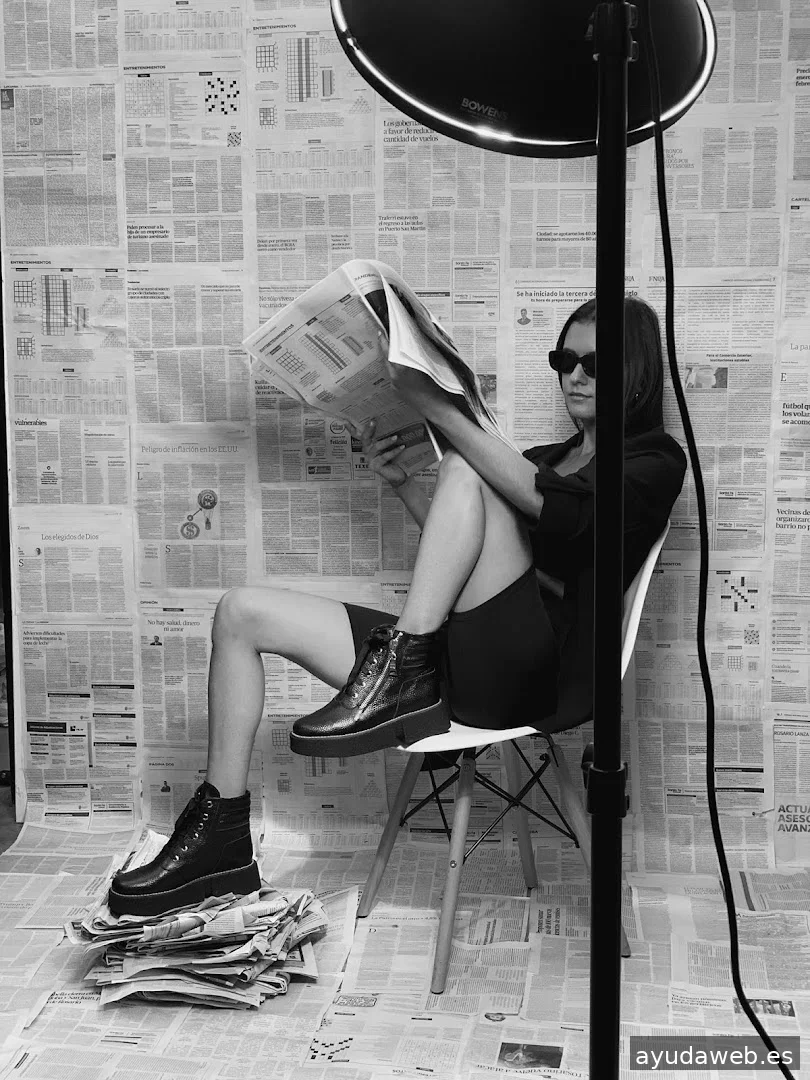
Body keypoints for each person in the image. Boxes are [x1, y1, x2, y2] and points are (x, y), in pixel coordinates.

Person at [108, 296, 686, 917]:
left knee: (466, 463)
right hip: (459, 654)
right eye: (564, 360)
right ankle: (220, 839)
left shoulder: (654, 461)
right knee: (241, 612)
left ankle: (400, 671)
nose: (575, 375)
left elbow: (566, 517)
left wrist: (438, 407)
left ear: (636, 372)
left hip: (534, 678)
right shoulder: (544, 459)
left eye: (595, 363)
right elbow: (472, 560)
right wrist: (405, 485)